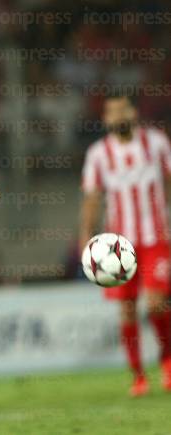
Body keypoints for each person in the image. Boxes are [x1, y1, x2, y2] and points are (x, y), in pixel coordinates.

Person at [79, 93, 171, 396]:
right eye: (112, 112)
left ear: (133, 112)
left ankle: (167, 361)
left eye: (123, 109)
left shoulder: (156, 143)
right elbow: (92, 198)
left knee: (157, 302)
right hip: (118, 245)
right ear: (105, 119)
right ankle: (138, 374)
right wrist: (85, 237)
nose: (118, 116)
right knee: (127, 310)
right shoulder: (98, 154)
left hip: (155, 237)